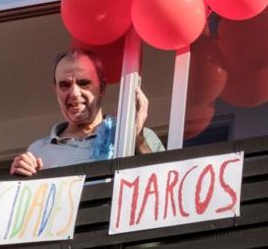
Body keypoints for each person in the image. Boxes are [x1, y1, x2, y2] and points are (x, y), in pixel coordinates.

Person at [10, 49, 163, 177]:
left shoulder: (134, 136)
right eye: (65, 85)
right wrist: (18, 177)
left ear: (102, 88)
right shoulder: (37, 150)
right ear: (55, 90)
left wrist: (136, 138)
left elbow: (165, 186)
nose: (75, 93)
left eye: (83, 83)